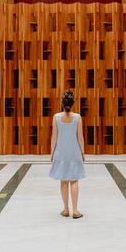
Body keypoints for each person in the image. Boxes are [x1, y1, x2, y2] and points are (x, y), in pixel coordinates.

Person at [49, 90, 86, 219]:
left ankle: (66, 209)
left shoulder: (56, 117)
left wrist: (52, 153)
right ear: (72, 103)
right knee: (74, 180)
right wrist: (82, 152)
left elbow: (54, 137)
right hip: (74, 152)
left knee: (63, 181)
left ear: (62, 103)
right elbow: (80, 137)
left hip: (61, 153)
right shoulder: (77, 117)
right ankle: (75, 211)